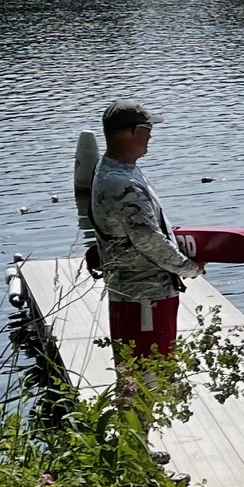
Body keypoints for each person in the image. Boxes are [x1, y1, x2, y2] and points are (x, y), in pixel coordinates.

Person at [90, 100, 202, 365]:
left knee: (147, 376)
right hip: (144, 300)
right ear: (132, 132)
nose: (151, 134)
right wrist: (190, 268)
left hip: (141, 297)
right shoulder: (122, 184)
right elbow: (149, 241)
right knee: (148, 377)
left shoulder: (113, 170)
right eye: (148, 127)